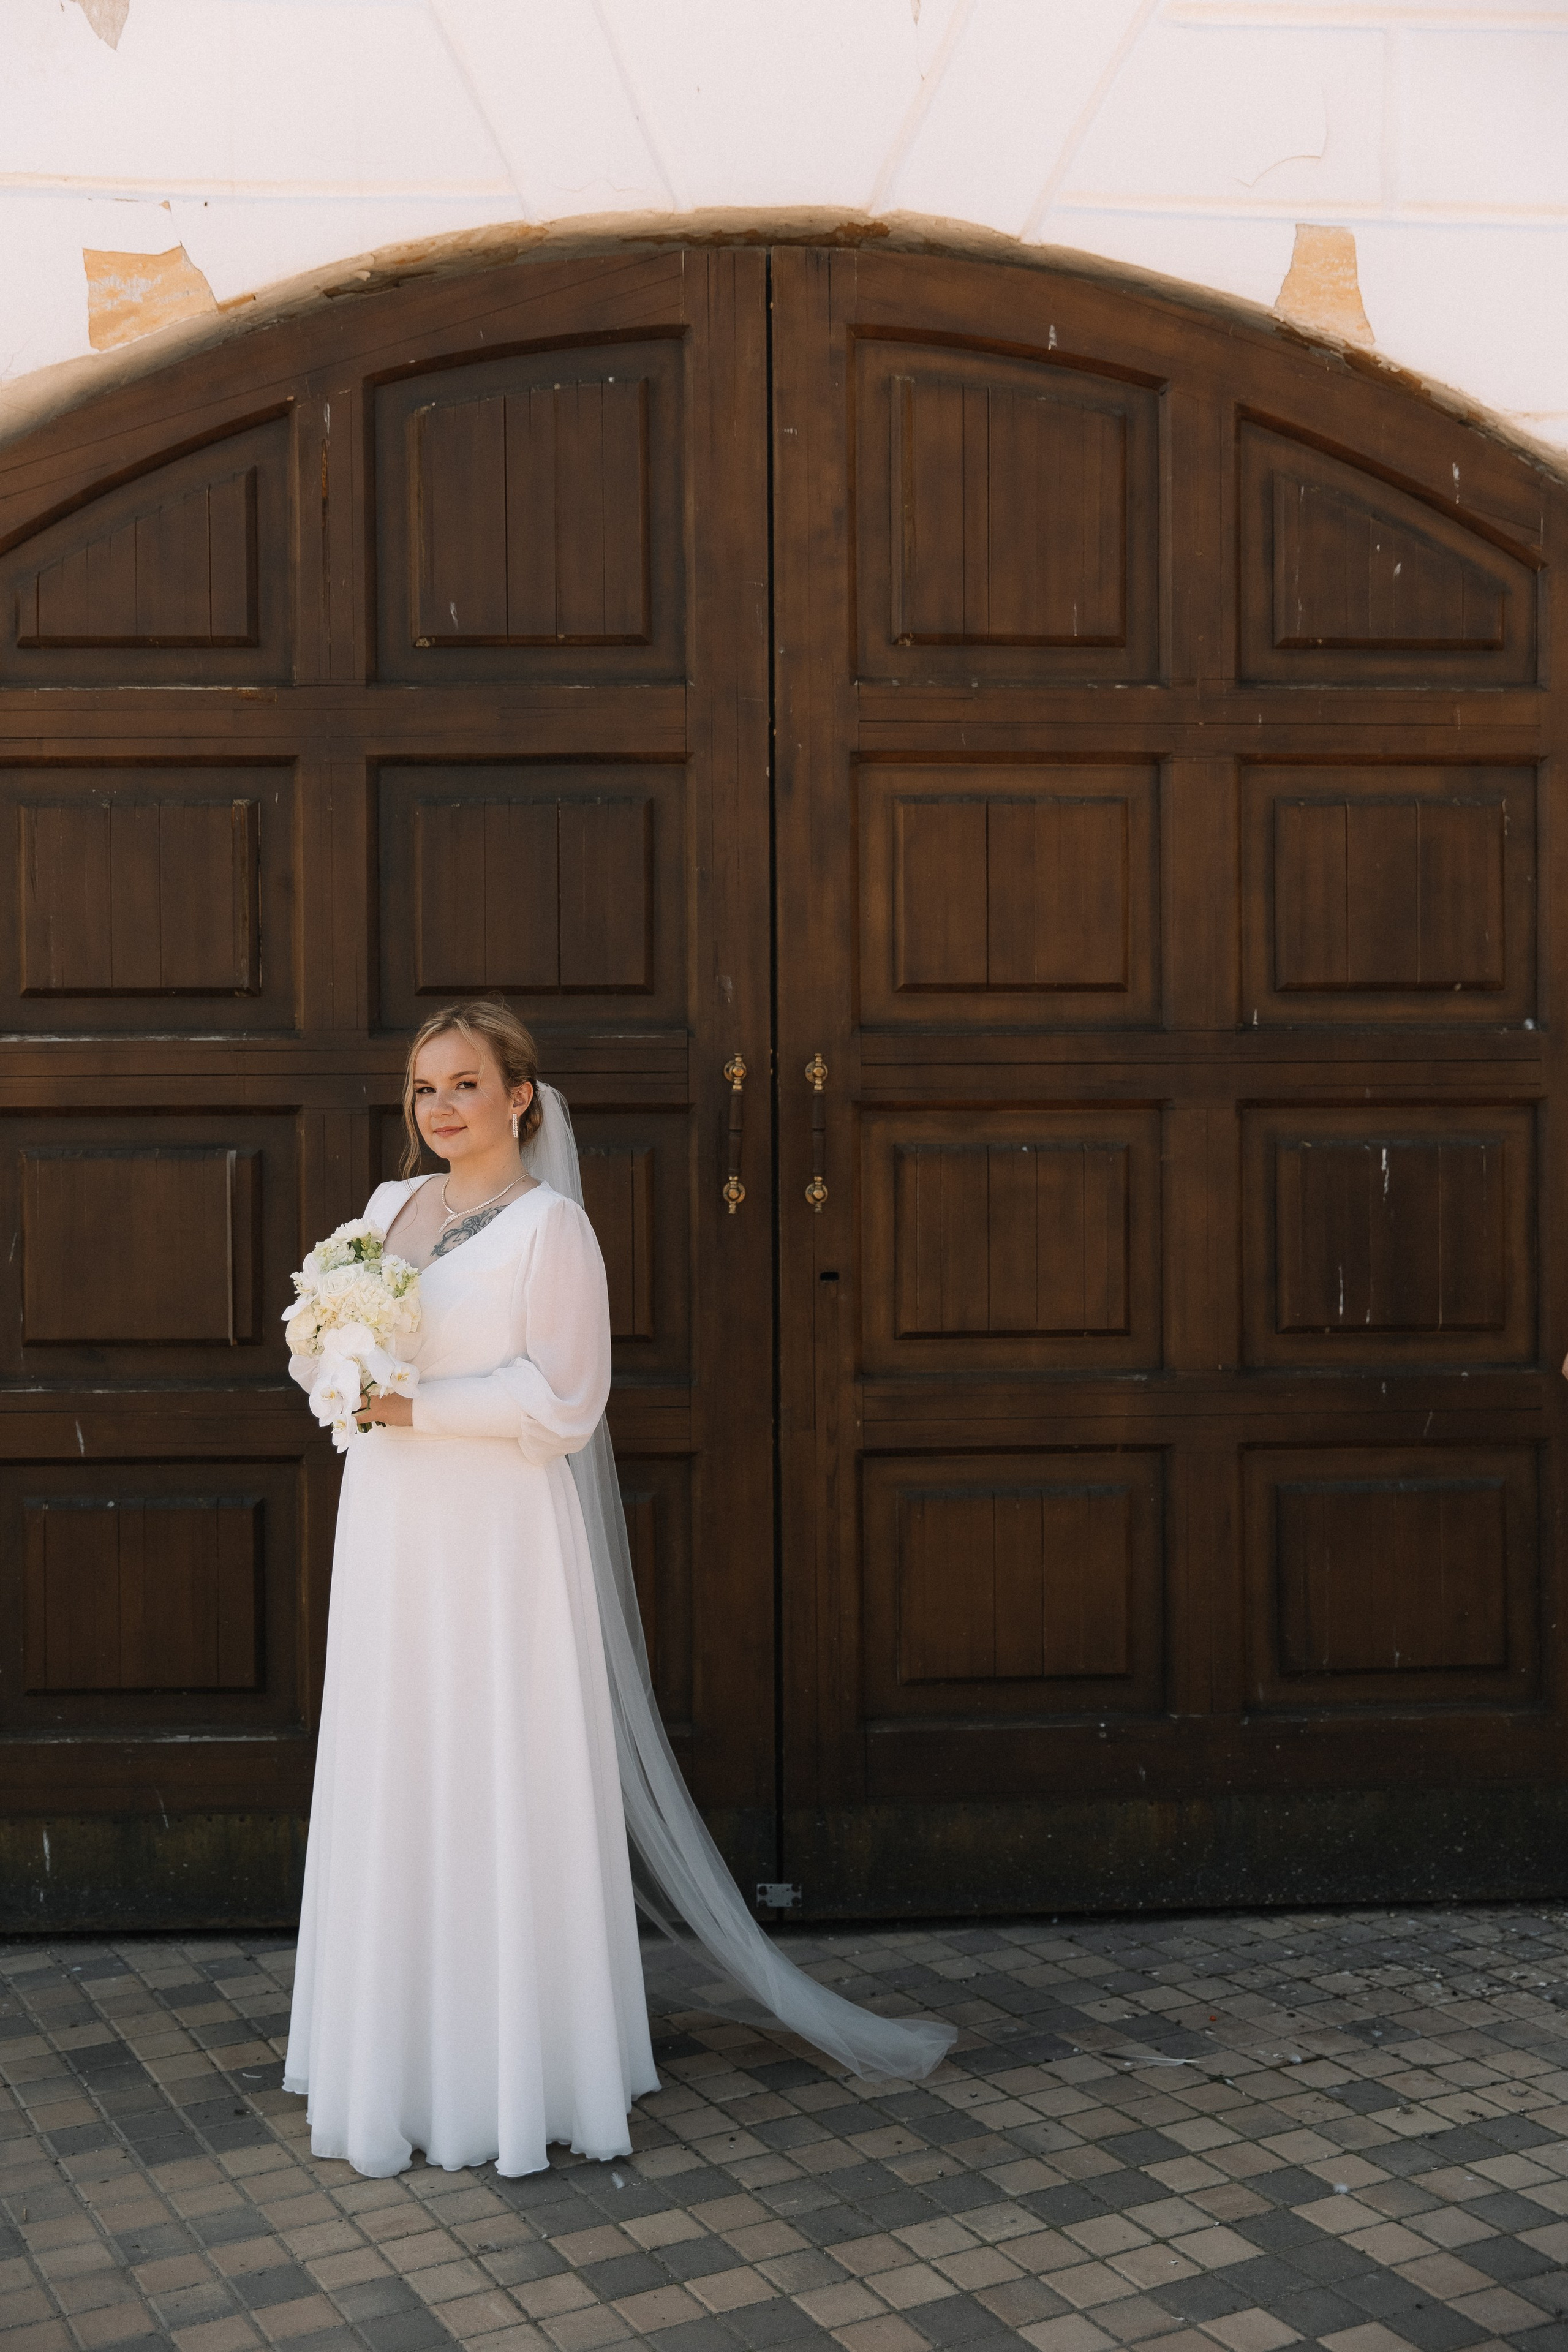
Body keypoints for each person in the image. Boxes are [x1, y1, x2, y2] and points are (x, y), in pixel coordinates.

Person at [284, 1000, 953, 2180]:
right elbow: (331, 1341)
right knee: (402, 1760)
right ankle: (392, 2055)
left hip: (496, 1534)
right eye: (423, 1089)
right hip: (390, 1522)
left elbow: (565, 1403)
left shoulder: (551, 1231)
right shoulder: (388, 1212)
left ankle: (519, 2065)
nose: (440, 1109)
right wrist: (334, 1367)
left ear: (520, 1098)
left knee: (494, 1764)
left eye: (465, 1086)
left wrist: (414, 1407)